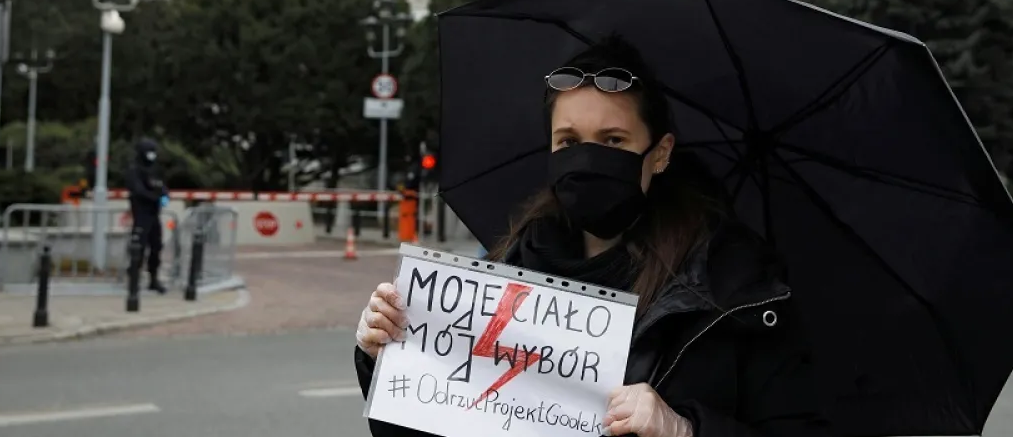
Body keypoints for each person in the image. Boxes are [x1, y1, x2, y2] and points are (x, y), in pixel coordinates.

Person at [354, 36, 831, 437]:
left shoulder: (731, 287)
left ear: (660, 153)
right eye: (569, 142)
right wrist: (386, 359)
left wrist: (685, 429)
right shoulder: (509, 270)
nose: (587, 161)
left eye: (613, 141)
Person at [127, 137, 168, 294]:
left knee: (156, 246)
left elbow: (162, 185)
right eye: (149, 152)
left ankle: (153, 278)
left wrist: (164, 195)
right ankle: (134, 277)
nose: (152, 155)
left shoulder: (155, 170)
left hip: (154, 213)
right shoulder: (134, 170)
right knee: (139, 247)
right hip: (141, 214)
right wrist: (155, 197)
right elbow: (138, 190)